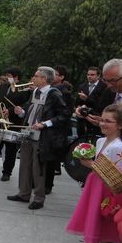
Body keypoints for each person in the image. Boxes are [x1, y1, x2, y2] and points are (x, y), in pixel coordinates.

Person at [65, 103, 122, 243]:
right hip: (96, 185)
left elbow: (120, 174)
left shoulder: (119, 147)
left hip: (108, 189)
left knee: (103, 229)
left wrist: (91, 164)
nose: (103, 124)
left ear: (119, 125)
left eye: (108, 121)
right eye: (102, 120)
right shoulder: (101, 141)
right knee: (95, 227)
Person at [7, 66, 70, 209]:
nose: (33, 78)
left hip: (43, 136)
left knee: (38, 168)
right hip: (28, 133)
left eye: (36, 76)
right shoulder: (35, 91)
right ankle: (23, 194)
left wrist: (45, 124)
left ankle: (39, 199)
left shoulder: (54, 93)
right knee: (24, 165)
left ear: (44, 79)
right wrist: (21, 111)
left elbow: (64, 114)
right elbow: (30, 109)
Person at [44, 65, 74, 193]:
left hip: (56, 129)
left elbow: (65, 113)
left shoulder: (64, 93)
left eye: (56, 74)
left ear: (61, 77)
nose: (53, 76)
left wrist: (51, 122)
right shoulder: (48, 90)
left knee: (50, 159)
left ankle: (47, 185)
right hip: (45, 127)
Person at [75, 66, 107, 136]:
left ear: (98, 76)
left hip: (95, 119)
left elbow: (101, 104)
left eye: (92, 75)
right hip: (82, 119)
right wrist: (78, 108)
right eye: (88, 74)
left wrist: (87, 99)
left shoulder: (104, 87)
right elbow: (77, 102)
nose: (89, 76)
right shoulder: (82, 86)